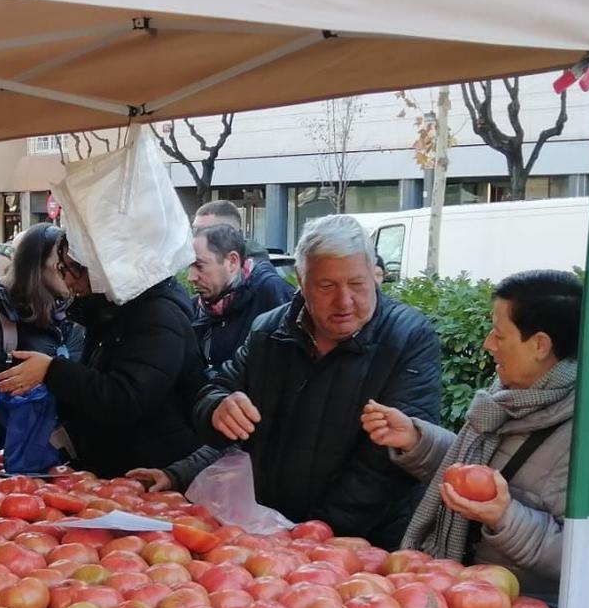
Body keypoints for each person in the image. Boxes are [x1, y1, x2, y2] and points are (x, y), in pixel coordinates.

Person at [133, 214, 442, 547]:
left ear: (374, 275)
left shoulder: (408, 337)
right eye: (327, 286)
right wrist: (215, 412)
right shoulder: (269, 331)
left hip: (362, 546)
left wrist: (314, 534)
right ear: (301, 280)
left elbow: (385, 465)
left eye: (357, 284)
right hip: (275, 535)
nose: (344, 301)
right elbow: (218, 397)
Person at [361, 270, 582, 598]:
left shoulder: (582, 436)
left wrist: (505, 517)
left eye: (499, 334)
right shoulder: (508, 399)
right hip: (462, 593)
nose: (488, 344)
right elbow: (477, 471)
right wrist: (417, 441)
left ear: (539, 345)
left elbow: (585, 556)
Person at [0, 230, 204, 478]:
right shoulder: (109, 312)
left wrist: (52, 371)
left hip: (152, 472)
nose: (67, 281)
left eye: (70, 269)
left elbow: (125, 398)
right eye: (61, 268)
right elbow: (96, 390)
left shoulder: (157, 315)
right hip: (113, 470)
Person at [0, 223, 77, 449]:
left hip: (72, 459)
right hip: (19, 464)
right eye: (59, 266)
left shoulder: (77, 318)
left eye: (71, 266)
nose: (68, 274)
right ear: (35, 268)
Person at [188, 221, 296, 373]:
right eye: (189, 266)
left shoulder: (274, 295)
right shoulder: (197, 307)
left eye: (199, 266)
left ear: (232, 262)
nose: (191, 277)